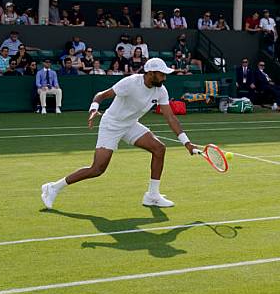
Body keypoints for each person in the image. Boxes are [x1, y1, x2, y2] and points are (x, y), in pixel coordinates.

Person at [40, 57, 196, 209]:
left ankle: (152, 196)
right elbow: (101, 95)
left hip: (130, 125)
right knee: (97, 169)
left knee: (159, 148)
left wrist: (186, 142)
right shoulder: (130, 83)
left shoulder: (161, 90)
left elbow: (170, 117)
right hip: (111, 125)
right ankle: (53, 187)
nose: (164, 78)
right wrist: (94, 109)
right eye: (161, 74)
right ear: (150, 73)